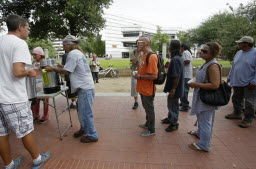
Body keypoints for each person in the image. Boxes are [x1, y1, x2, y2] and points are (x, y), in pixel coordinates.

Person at [0, 14, 50, 169]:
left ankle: (9, 165)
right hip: (13, 97)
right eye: (27, 27)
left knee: (1, 133)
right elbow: (17, 71)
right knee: (25, 130)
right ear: (20, 27)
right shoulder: (19, 43)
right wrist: (30, 72)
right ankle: (37, 159)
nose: (28, 31)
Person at [45, 35, 98, 143]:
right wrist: (60, 66)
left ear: (69, 44)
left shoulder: (72, 54)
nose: (63, 47)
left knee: (85, 112)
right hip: (85, 87)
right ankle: (84, 128)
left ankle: (92, 135)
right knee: (81, 110)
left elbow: (67, 71)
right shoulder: (77, 53)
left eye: (64, 45)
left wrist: (53, 68)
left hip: (85, 88)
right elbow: (70, 68)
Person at [188, 42, 221, 152]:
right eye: (201, 50)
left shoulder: (213, 66)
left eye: (205, 51)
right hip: (202, 97)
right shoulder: (207, 63)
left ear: (212, 54)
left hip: (207, 99)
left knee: (205, 121)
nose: (201, 52)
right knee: (201, 118)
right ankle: (200, 134)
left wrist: (195, 84)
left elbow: (215, 85)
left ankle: (204, 145)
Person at [225, 36, 256, 128]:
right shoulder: (239, 52)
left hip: (249, 83)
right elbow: (234, 65)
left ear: (246, 44)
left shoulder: (255, 53)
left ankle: (248, 119)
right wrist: (230, 76)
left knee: (249, 102)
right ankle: (237, 113)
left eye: (240, 43)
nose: (239, 44)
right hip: (237, 81)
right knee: (236, 98)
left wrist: (254, 81)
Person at [134, 36, 158, 136]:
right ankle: (148, 123)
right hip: (143, 88)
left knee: (149, 109)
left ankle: (151, 130)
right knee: (146, 107)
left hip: (148, 89)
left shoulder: (152, 56)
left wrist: (139, 76)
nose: (137, 44)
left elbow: (153, 76)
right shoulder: (144, 55)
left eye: (139, 42)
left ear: (145, 43)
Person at [162, 40, 184, 132]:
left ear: (171, 48)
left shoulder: (175, 59)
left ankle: (174, 123)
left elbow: (176, 76)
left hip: (175, 88)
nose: (168, 48)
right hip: (176, 87)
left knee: (173, 105)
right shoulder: (178, 58)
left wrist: (173, 89)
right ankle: (170, 118)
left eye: (169, 46)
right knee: (171, 103)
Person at [30, 47, 50, 123]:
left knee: (45, 101)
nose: (34, 56)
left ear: (40, 54)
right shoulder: (33, 62)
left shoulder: (44, 62)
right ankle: (35, 115)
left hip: (43, 85)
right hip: (35, 85)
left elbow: (46, 73)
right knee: (35, 101)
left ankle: (45, 116)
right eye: (33, 55)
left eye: (35, 54)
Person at [179, 44, 193, 111]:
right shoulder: (187, 52)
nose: (180, 49)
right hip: (187, 74)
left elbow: (187, 61)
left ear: (183, 47)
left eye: (180, 48)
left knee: (184, 90)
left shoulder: (185, 52)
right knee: (185, 90)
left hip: (185, 75)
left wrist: (179, 62)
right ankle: (183, 103)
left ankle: (185, 105)